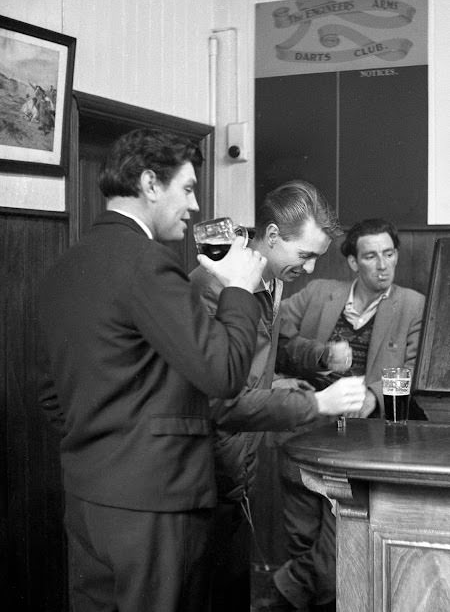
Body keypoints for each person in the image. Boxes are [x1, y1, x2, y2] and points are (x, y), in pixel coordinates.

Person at [37, 127, 269, 612]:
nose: (194, 207)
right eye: (186, 189)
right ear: (148, 184)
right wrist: (240, 290)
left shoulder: (62, 267)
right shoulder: (149, 265)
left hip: (87, 499)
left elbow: (50, 395)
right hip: (157, 503)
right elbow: (224, 374)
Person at [189, 181, 366, 612]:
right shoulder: (218, 283)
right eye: (304, 255)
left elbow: (273, 346)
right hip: (202, 469)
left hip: (236, 467)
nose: (308, 270)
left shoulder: (268, 273)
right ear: (271, 237)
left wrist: (322, 354)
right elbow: (225, 398)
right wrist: (318, 404)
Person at [271, 218, 426, 612]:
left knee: (342, 542)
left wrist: (373, 398)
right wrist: (318, 354)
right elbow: (271, 330)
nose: (383, 265)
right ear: (353, 263)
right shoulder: (321, 292)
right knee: (302, 534)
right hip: (306, 428)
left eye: (389, 254)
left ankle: (280, 591)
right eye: (371, 256)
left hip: (364, 438)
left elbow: (411, 370)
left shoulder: (412, 305)